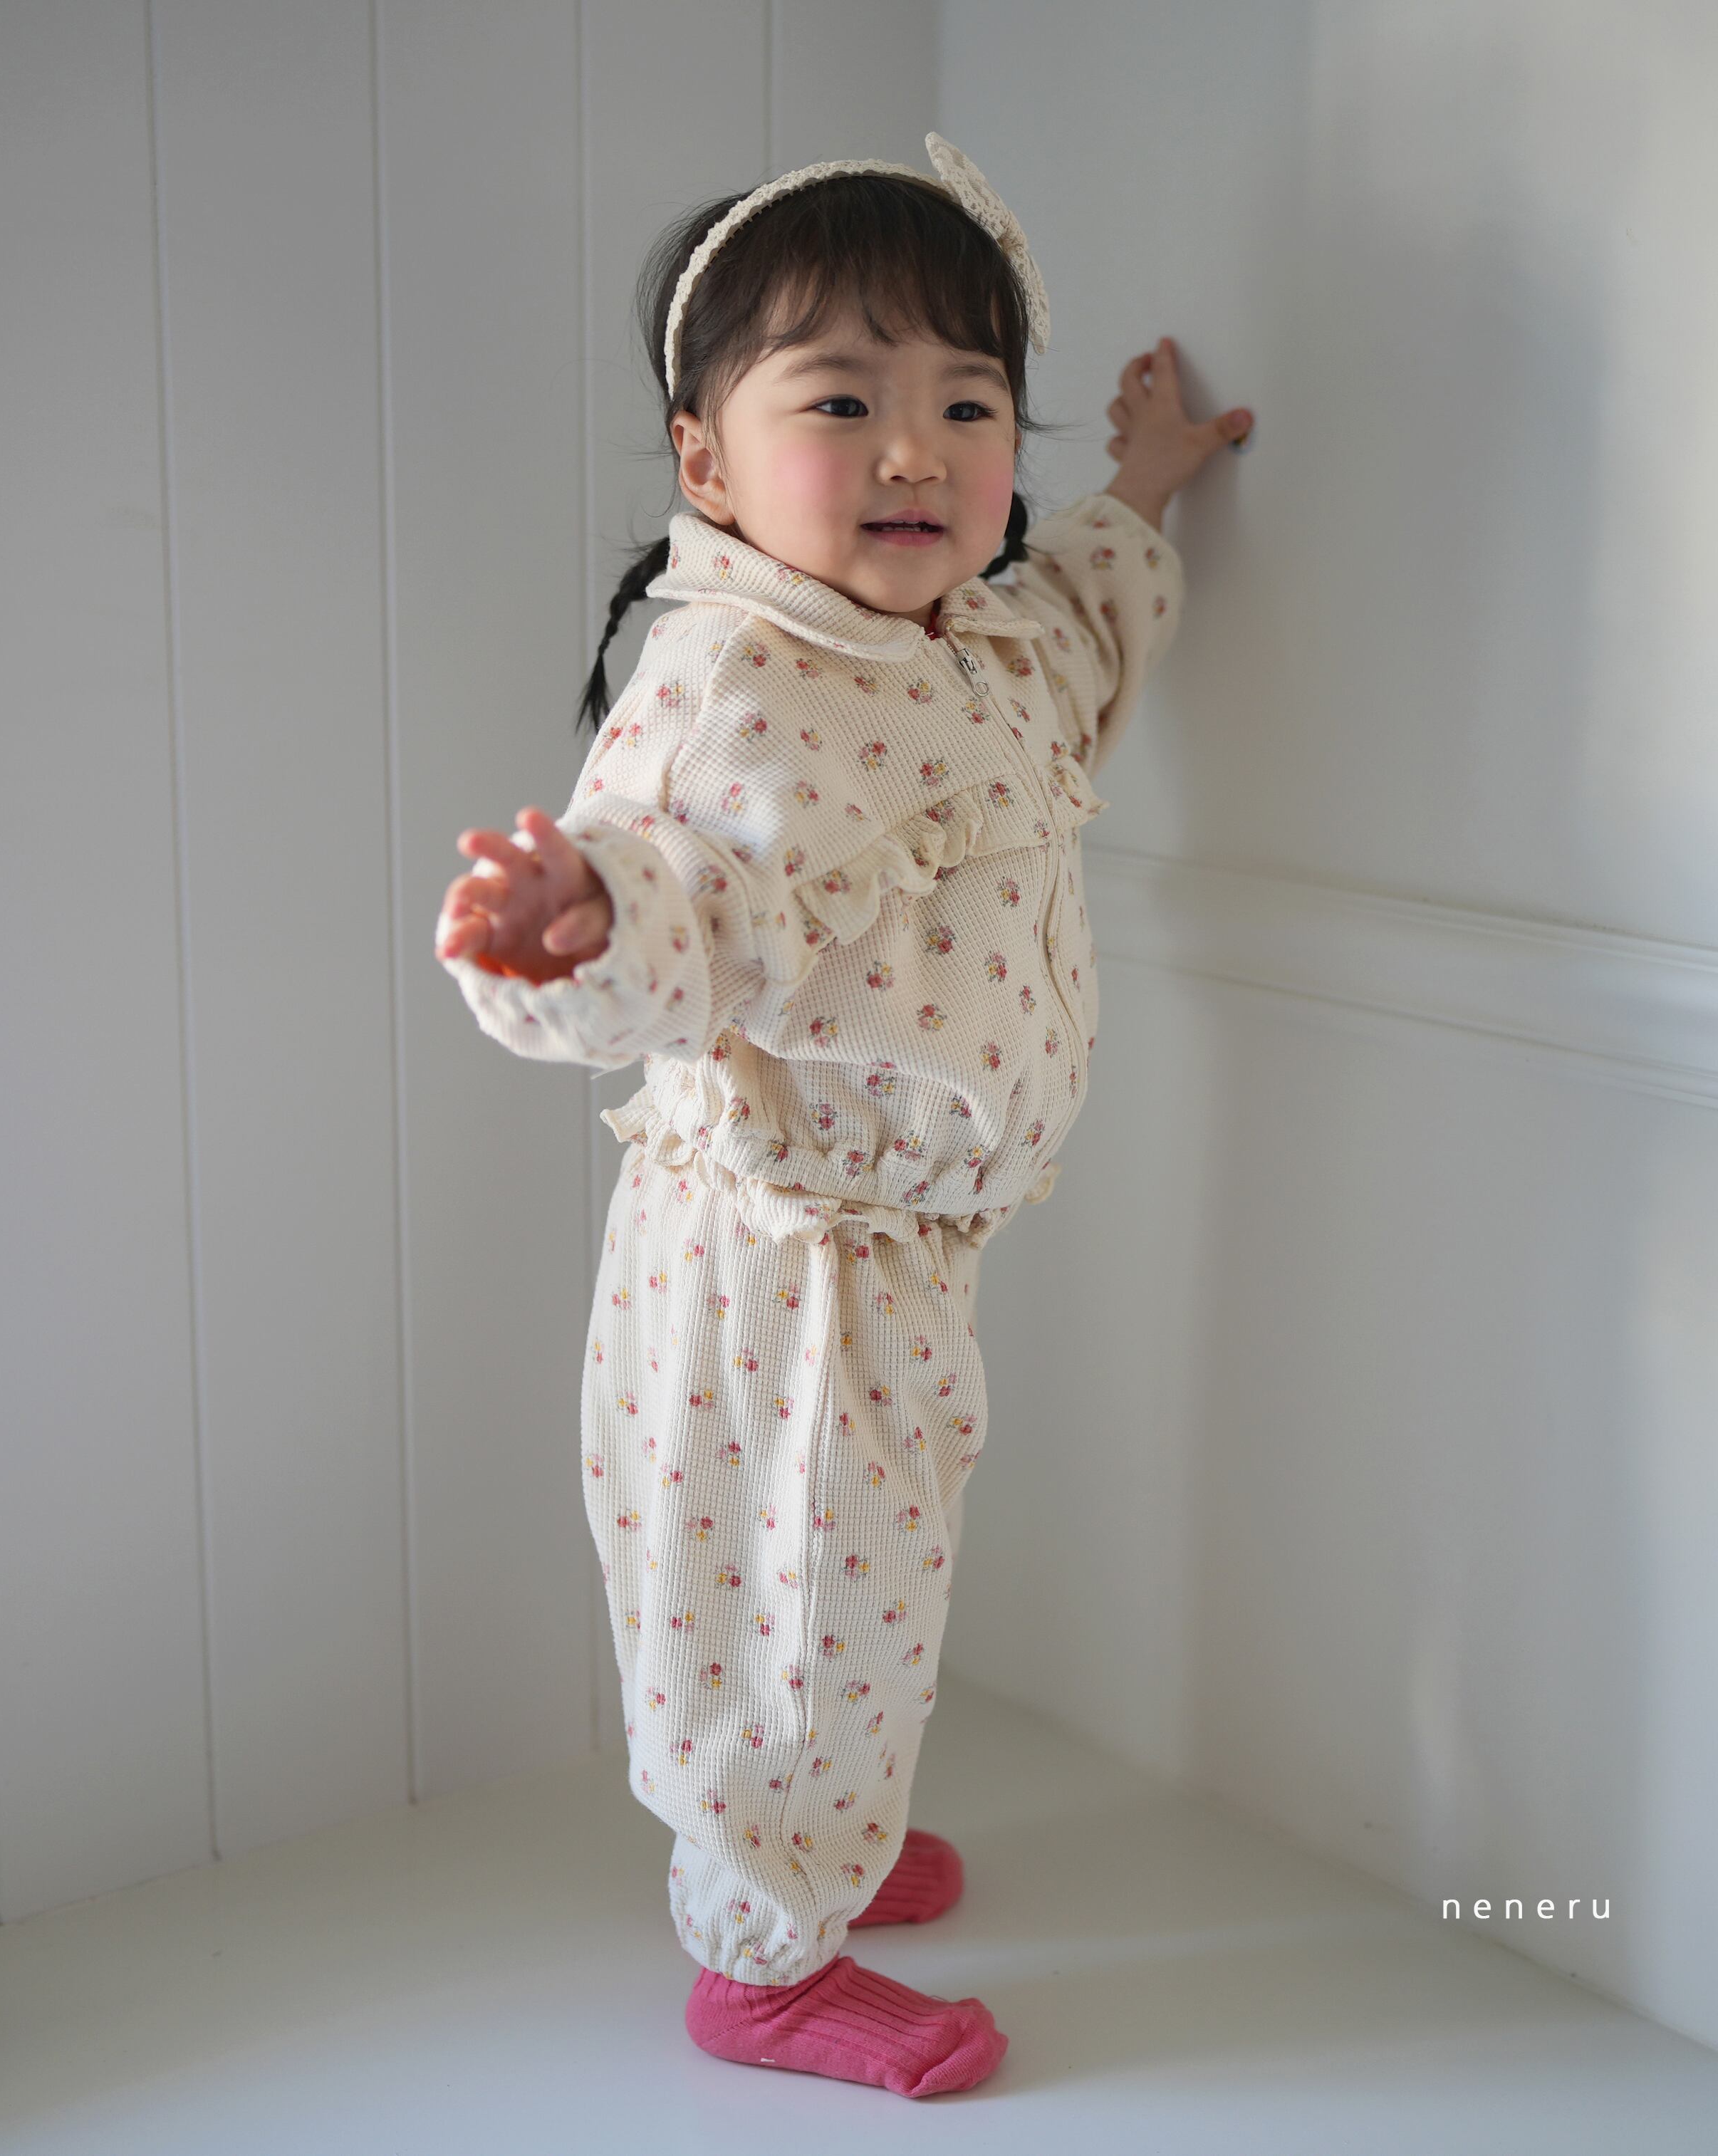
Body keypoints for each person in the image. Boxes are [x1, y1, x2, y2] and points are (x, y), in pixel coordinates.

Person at [434, 133, 1252, 2098]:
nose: (913, 450)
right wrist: (573, 928)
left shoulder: (963, 651)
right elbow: (671, 887)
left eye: (967, 405)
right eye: (840, 401)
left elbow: (1078, 635)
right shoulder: (736, 678)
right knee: (781, 1590)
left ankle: (830, 1833)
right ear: (705, 462)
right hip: (777, 1264)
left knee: (868, 1576)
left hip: (896, 1260)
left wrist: (1144, 486)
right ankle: (763, 1955)